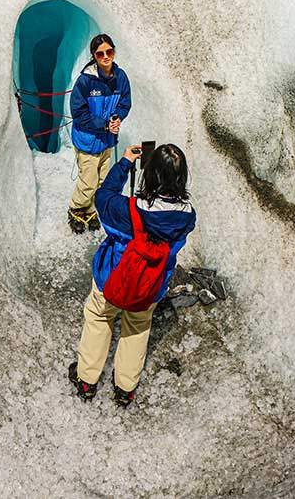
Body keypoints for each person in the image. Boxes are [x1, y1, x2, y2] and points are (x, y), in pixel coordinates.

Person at [69, 143, 196, 407]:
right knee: (137, 328)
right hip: (150, 286)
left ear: (149, 174)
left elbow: (103, 195)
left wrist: (125, 162)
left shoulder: (124, 209)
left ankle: (87, 380)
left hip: (112, 278)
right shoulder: (187, 217)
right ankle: (125, 388)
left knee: (99, 317)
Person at [68, 34, 131, 234]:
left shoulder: (120, 77)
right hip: (87, 141)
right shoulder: (85, 81)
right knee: (88, 182)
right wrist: (104, 125)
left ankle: (91, 210)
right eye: (100, 53)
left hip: (107, 141)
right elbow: (78, 114)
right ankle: (76, 209)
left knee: (103, 180)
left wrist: (117, 117)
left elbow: (125, 103)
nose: (105, 56)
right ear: (94, 56)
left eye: (109, 51)